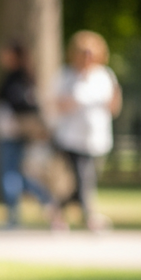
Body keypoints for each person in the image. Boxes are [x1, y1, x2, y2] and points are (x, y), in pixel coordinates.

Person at [52, 30, 122, 232]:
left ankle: (56, 210)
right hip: (71, 137)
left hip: (97, 138)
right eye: (83, 53)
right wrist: (76, 101)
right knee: (83, 178)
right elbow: (57, 104)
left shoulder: (104, 75)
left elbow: (114, 106)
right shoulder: (66, 75)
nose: (87, 58)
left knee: (82, 181)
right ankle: (90, 217)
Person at [0, 41, 58, 228]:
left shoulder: (17, 79)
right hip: (11, 132)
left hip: (11, 132)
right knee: (16, 174)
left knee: (9, 175)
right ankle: (45, 200)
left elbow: (20, 103)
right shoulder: (22, 77)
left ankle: (18, 213)